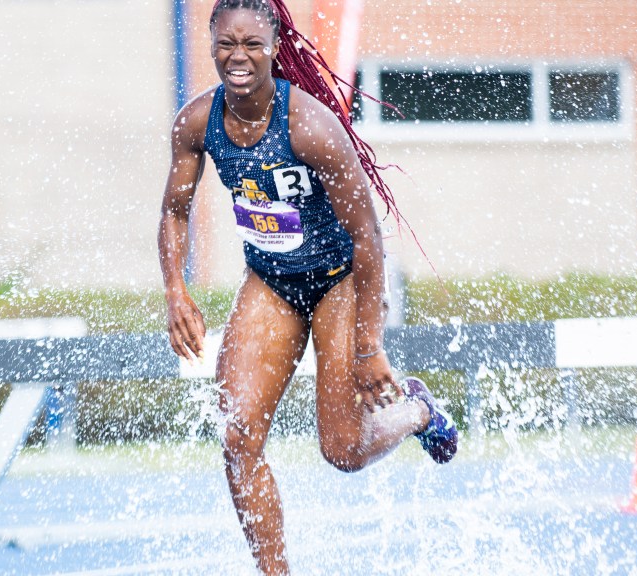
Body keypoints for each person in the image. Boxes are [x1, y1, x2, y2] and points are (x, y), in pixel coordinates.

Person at [157, 0, 458, 573]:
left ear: (274, 46)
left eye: (251, 45)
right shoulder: (196, 123)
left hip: (339, 281)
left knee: (343, 450)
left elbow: (368, 239)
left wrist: (370, 347)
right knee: (238, 439)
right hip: (271, 282)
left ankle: (416, 409)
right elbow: (174, 211)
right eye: (226, 45)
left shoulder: (310, 126)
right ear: (212, 45)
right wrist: (175, 288)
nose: (237, 57)